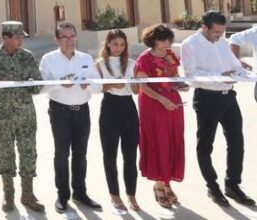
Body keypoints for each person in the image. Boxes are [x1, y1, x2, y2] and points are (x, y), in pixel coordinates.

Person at [181, 11, 254, 207]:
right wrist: (220, 75)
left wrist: (241, 71)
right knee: (205, 145)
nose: (220, 36)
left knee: (237, 142)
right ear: (204, 27)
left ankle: (232, 185)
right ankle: (212, 187)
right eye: (216, 32)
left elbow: (233, 64)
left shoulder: (221, 42)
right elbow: (191, 75)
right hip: (207, 99)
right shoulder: (189, 45)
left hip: (229, 97)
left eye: (222, 32)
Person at [39, 22, 102, 213]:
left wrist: (88, 85)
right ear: (57, 39)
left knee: (80, 155)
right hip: (60, 112)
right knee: (61, 154)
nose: (69, 41)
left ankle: (80, 193)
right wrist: (59, 83)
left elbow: (98, 86)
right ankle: (63, 195)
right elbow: (41, 87)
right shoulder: (48, 59)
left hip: (82, 110)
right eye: (64, 37)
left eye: (72, 36)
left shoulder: (85, 58)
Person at [0, 21, 44, 212]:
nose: (21, 40)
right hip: (3, 115)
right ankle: (8, 195)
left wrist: (28, 82)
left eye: (21, 37)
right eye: (17, 37)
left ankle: (28, 194)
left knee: (29, 154)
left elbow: (38, 85)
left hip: (26, 114)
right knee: (6, 155)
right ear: (6, 37)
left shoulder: (27, 57)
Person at [135, 23, 184, 209]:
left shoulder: (171, 55)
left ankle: (167, 181)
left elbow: (175, 76)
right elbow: (143, 86)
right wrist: (162, 100)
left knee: (173, 140)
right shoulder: (144, 58)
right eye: (162, 40)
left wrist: (181, 85)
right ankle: (158, 184)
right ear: (152, 40)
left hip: (174, 102)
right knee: (158, 141)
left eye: (168, 40)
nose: (166, 43)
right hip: (153, 103)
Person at [95, 29, 139, 213]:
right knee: (110, 154)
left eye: (122, 44)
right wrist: (113, 84)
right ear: (108, 44)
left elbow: (136, 91)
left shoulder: (131, 63)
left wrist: (135, 82)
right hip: (110, 107)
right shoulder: (100, 64)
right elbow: (96, 88)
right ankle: (114, 195)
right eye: (115, 44)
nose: (118, 48)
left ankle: (131, 194)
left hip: (129, 108)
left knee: (130, 155)